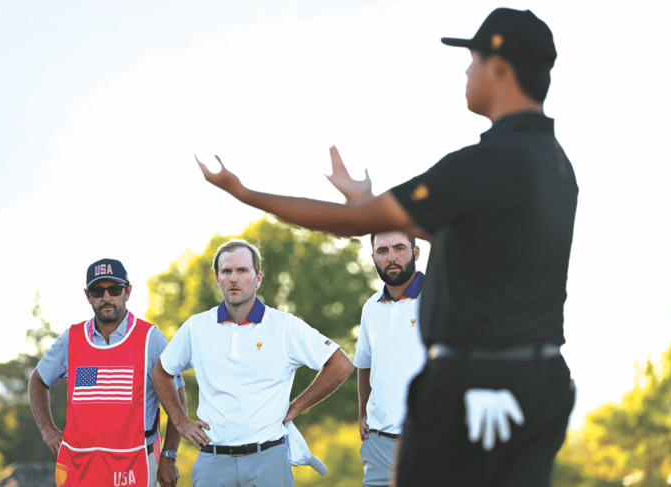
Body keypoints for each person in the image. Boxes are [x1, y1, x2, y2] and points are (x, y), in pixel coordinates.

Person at [194, 7, 577, 486]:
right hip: (539, 382)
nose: (465, 71)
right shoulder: (552, 164)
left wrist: (244, 192)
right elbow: (474, 240)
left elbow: (351, 225)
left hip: (483, 385)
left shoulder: (491, 162)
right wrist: (371, 202)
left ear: (499, 67)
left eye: (472, 59)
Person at [151, 239, 354, 487]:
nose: (233, 278)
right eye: (226, 271)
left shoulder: (284, 326)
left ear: (258, 278)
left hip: (268, 458)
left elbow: (341, 364)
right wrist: (181, 421)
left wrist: (297, 406)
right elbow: (161, 372)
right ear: (217, 277)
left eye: (242, 270)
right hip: (213, 460)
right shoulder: (197, 326)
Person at [29, 258, 188, 487]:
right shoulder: (71, 340)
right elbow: (38, 379)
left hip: (136, 464)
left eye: (114, 289)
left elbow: (178, 400)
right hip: (80, 466)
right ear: (88, 295)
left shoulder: (150, 340)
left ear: (128, 292)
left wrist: (169, 455)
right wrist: (47, 430)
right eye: (97, 290)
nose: (106, 298)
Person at [354, 231, 426, 486]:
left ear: (415, 253)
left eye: (399, 248)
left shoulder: (440, 298)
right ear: (373, 256)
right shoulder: (371, 307)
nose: (391, 257)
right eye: (382, 251)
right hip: (379, 445)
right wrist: (362, 413)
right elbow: (365, 364)